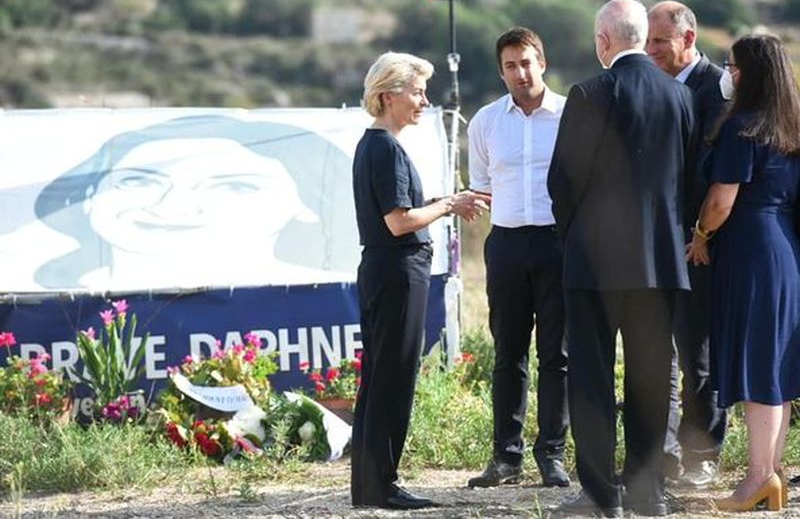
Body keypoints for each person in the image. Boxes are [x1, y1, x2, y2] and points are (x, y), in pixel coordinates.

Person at [548, 0, 695, 517]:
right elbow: (690, 179)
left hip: (593, 264)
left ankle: (599, 496)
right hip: (661, 263)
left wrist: (573, 236)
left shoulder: (589, 93)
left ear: (603, 41)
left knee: (591, 379)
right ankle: (646, 492)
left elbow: (562, 182)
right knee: (651, 378)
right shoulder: (680, 95)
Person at [350, 51, 489, 510]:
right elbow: (398, 221)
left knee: (379, 377)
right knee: (392, 378)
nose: (424, 101)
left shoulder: (373, 145)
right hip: (397, 271)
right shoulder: (385, 148)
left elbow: (401, 211)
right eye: (417, 92)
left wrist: (448, 200)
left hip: (384, 270)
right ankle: (381, 484)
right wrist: (449, 205)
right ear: (389, 95)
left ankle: (369, 484)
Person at [33, 115, 358, 290]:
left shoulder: (328, 295)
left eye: (232, 186)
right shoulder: (53, 301)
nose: (172, 206)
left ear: (305, 202)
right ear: (89, 198)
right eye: (137, 181)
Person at [686, 34, 800, 513]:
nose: (727, 74)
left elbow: (721, 201)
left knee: (758, 367)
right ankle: (770, 473)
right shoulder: (791, 125)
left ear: (750, 73)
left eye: (732, 67)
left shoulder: (743, 127)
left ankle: (757, 478)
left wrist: (700, 235)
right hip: (785, 249)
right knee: (776, 367)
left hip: (751, 249)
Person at [466, 27, 570, 489]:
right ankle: (506, 457)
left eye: (526, 63)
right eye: (510, 66)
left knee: (557, 355)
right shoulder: (485, 122)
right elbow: (481, 185)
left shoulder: (569, 115)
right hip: (506, 244)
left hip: (557, 243)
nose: (520, 73)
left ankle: (552, 455)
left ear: (541, 63)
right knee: (508, 353)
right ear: (501, 72)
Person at [646, 0, 727, 488]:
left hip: (701, 241)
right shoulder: (652, 83)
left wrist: (701, 233)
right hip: (656, 238)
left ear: (689, 39)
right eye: (647, 40)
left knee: (698, 351)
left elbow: (714, 175)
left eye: (660, 41)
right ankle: (664, 452)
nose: (651, 49)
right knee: (659, 350)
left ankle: (703, 453)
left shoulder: (717, 89)